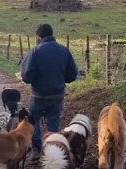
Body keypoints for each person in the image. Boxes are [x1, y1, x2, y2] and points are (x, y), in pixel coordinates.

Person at [21, 24, 78, 161]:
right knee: (53, 123)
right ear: (52, 34)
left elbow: (27, 76)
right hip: (57, 94)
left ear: (39, 36)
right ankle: (51, 150)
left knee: (34, 121)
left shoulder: (35, 51)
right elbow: (73, 74)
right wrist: (61, 79)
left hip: (38, 95)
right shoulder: (64, 50)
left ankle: (37, 150)